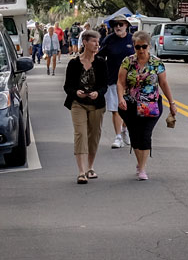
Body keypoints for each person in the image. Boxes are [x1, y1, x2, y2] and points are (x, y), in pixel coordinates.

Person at [115, 33, 178, 180]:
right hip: (130, 104)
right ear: (134, 46)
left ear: (149, 46)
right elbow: (120, 82)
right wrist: (120, 99)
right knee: (135, 135)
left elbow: (163, 83)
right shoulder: (128, 62)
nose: (141, 50)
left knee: (145, 134)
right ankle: (139, 162)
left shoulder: (157, 63)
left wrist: (172, 103)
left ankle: (142, 168)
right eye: (138, 47)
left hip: (151, 104)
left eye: (144, 46)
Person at [64, 29, 106, 183]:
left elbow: (104, 86)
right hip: (78, 103)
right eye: (94, 41)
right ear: (85, 42)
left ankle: (90, 167)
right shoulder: (74, 63)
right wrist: (76, 93)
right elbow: (67, 87)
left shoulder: (101, 62)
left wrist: (98, 93)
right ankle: (81, 172)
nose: (97, 44)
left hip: (96, 105)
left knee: (94, 136)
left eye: (98, 41)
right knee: (80, 134)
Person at [97, 16, 135, 149]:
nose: (118, 27)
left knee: (129, 109)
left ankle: (125, 129)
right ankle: (118, 136)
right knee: (116, 109)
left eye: (120, 24)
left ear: (126, 25)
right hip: (113, 79)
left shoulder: (132, 40)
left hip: (132, 81)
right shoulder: (109, 40)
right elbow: (99, 57)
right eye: (115, 25)